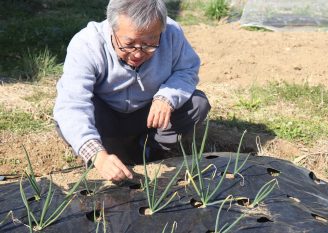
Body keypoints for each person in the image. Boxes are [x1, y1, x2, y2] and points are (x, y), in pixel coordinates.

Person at [53, 0, 211, 182]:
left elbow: (187, 70)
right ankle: (105, 153)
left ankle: (151, 149)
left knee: (197, 104)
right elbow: (73, 105)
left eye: (149, 44)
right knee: (68, 120)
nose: (137, 54)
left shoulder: (172, 33)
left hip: (148, 116)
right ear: (112, 29)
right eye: (128, 45)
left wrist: (167, 97)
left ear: (161, 30)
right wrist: (97, 155)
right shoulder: (87, 44)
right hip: (105, 118)